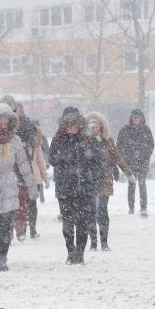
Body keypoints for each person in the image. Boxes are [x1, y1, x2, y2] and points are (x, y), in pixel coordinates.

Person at [0, 103, 39, 272]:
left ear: (11, 121)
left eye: (6, 120)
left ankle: (2, 259)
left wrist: (32, 187)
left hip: (9, 186)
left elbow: (24, 165)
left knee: (5, 227)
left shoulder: (15, 140)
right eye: (0, 120)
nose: (3, 124)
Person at [48, 107, 104, 265]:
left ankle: (79, 254)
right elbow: (52, 159)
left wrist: (93, 176)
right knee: (67, 224)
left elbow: (98, 159)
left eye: (75, 126)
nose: (72, 130)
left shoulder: (88, 139)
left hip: (85, 188)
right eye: (69, 126)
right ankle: (70, 251)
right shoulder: (58, 139)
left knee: (83, 224)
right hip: (65, 189)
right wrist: (65, 156)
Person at [84, 112, 134, 252]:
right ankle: (93, 243)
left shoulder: (108, 141)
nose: (93, 128)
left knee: (102, 211)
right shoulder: (84, 142)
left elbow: (118, 156)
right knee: (91, 212)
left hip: (105, 179)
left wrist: (128, 173)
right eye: (91, 126)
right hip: (89, 180)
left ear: (101, 126)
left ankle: (104, 243)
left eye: (96, 125)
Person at [0, 97, 36, 241]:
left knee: (21, 202)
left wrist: (18, 120)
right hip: (3, 171)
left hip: (20, 170)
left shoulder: (23, 122)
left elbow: (31, 136)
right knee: (5, 204)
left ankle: (20, 228)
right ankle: (8, 231)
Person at [117, 109, 155, 217]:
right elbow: (119, 145)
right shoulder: (125, 130)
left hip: (142, 163)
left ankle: (143, 208)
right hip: (130, 164)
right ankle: (131, 208)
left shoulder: (146, 130)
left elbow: (151, 145)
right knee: (131, 185)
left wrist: (145, 157)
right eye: (135, 118)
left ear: (142, 118)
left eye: (138, 117)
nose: (137, 120)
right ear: (131, 118)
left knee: (142, 184)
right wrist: (126, 159)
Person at [27, 123, 49, 239]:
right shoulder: (36, 145)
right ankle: (32, 229)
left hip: (22, 178)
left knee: (22, 204)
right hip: (35, 179)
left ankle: (23, 228)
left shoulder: (20, 144)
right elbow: (41, 163)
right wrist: (45, 178)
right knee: (32, 205)